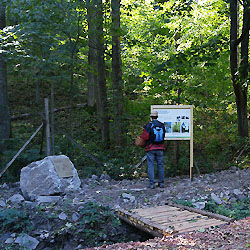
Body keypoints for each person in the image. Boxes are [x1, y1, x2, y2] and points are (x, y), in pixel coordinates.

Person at [140, 110, 166, 189]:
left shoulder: (149, 125)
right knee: (160, 165)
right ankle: (161, 183)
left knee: (151, 165)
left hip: (151, 148)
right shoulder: (162, 125)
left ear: (151, 117)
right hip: (160, 148)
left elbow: (145, 136)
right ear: (157, 116)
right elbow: (164, 135)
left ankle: (152, 183)